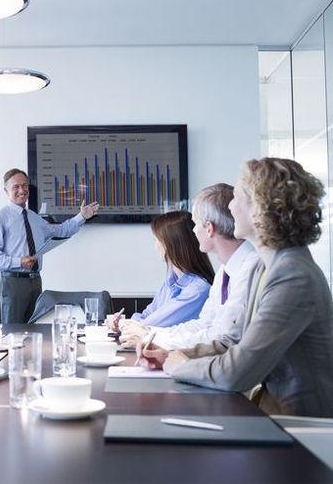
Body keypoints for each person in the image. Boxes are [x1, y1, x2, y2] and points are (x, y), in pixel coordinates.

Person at [138, 158, 333, 417]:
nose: (230, 206)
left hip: (299, 426)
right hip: (271, 413)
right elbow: (233, 342)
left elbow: (236, 372)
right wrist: (171, 355)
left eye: (237, 197)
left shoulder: (292, 275)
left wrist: (179, 366)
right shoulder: (264, 268)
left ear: (261, 208)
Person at [117, 184, 258, 349]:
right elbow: (204, 324)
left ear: (209, 228)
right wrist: (149, 333)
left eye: (196, 224)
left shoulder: (251, 270)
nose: (194, 231)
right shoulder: (225, 271)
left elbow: (224, 337)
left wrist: (149, 336)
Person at [0, 168, 99, 324]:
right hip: (13, 283)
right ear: (6, 190)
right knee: (13, 332)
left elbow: (60, 230)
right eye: (16, 187)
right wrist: (19, 262)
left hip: (35, 281)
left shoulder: (34, 217)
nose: (22, 190)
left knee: (34, 330)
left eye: (25, 186)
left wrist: (82, 216)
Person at [109, 210, 214, 329]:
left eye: (156, 240)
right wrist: (126, 323)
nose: (155, 246)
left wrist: (123, 324)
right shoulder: (171, 281)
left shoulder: (197, 290)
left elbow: (149, 325)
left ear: (170, 244)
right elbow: (147, 315)